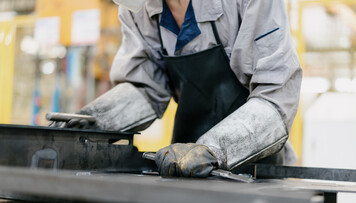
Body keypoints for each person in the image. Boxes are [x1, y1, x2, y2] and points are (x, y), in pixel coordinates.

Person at [76, 0, 302, 178]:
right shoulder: (138, 8)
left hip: (255, 171)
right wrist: (93, 121)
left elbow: (276, 97)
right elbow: (146, 87)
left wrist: (213, 149)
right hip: (182, 168)